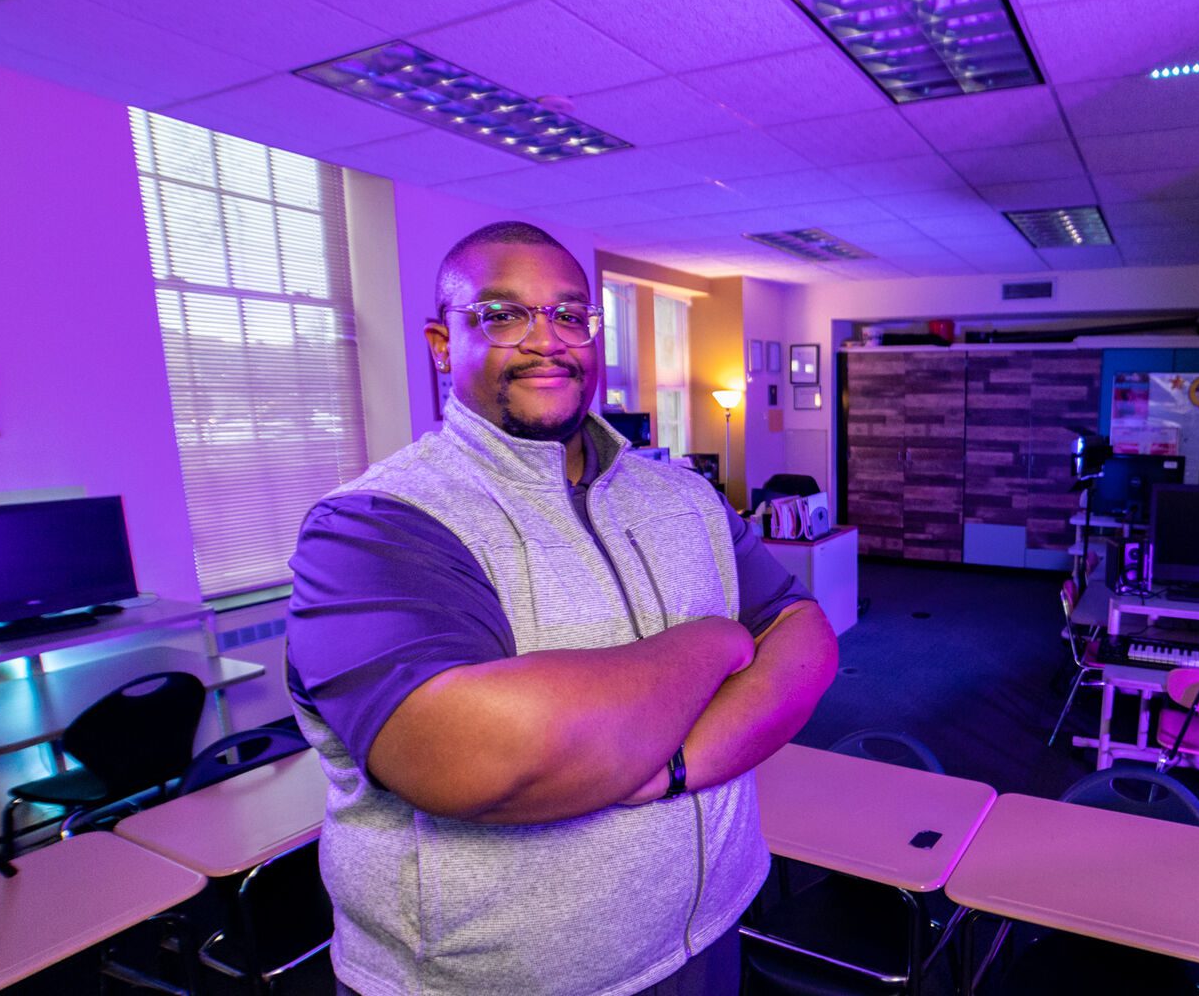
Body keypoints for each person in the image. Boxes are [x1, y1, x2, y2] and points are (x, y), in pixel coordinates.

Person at [285, 220, 839, 996]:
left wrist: (680, 765)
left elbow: (803, 637)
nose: (548, 340)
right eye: (504, 314)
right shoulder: (375, 525)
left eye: (571, 314)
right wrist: (714, 644)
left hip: (709, 932)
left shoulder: (681, 495)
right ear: (444, 345)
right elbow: (481, 759)